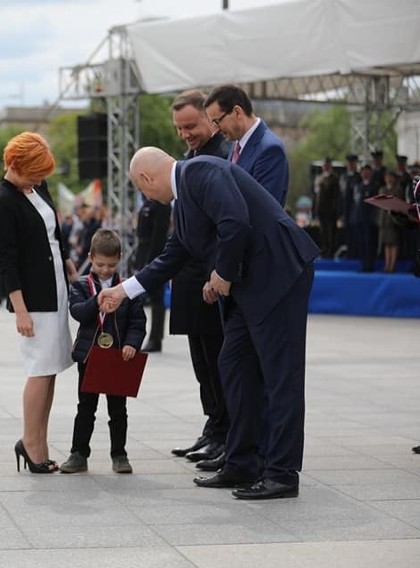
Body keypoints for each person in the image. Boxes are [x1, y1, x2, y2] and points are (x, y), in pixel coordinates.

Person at [98, 147, 319, 500]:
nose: (146, 198)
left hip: (278, 276)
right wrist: (123, 291)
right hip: (251, 287)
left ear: (146, 179)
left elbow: (235, 222)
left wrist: (223, 274)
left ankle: (281, 473)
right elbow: (172, 257)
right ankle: (242, 460)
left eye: (142, 190)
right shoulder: (184, 198)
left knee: (281, 378)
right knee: (233, 366)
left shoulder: (200, 171)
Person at [0, 131, 77, 474]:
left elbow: (54, 232)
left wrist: (67, 259)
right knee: (39, 369)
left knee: (51, 368)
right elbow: (6, 260)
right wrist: (20, 310)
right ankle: (30, 442)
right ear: (13, 165)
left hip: (55, 286)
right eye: (33, 173)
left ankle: (39, 439)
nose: (39, 180)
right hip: (33, 298)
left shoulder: (37, 185)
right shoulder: (2, 202)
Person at [167, 89, 232, 470]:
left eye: (191, 125)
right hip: (189, 272)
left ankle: (226, 431)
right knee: (201, 360)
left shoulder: (223, 157)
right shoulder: (190, 158)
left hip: (213, 274)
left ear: (211, 119)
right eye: (179, 129)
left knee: (218, 357)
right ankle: (213, 425)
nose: (186, 134)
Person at [60, 229, 146, 474]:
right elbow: (77, 312)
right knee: (86, 407)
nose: (106, 269)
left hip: (119, 355)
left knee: (118, 409)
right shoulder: (81, 285)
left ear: (119, 258)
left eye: (110, 264)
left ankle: (119, 454)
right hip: (90, 356)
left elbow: (138, 322)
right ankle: (78, 453)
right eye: (100, 264)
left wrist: (132, 343)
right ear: (90, 257)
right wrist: (97, 300)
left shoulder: (129, 287)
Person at [204, 84, 289, 206]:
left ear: (237, 112)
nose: (216, 130)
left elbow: (264, 211)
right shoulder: (236, 145)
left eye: (217, 122)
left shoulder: (270, 150)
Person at [133, 196, 170, 353]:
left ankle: (156, 338)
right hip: (143, 251)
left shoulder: (160, 203)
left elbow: (159, 235)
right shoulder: (148, 203)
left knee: (156, 298)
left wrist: (151, 261)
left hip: (152, 253)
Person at [314, 157, 341, 258]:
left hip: (330, 209)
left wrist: (335, 208)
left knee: (330, 231)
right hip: (320, 209)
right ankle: (324, 249)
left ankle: (331, 250)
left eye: (327, 165)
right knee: (323, 231)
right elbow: (316, 195)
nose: (325, 166)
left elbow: (336, 195)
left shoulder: (334, 178)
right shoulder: (319, 178)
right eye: (324, 165)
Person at [378, 170, 403, 273]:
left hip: (393, 220)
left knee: (393, 243)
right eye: (387, 177)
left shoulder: (398, 189)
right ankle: (387, 265)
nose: (389, 179)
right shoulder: (382, 189)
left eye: (391, 177)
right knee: (386, 244)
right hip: (384, 220)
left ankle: (392, 266)